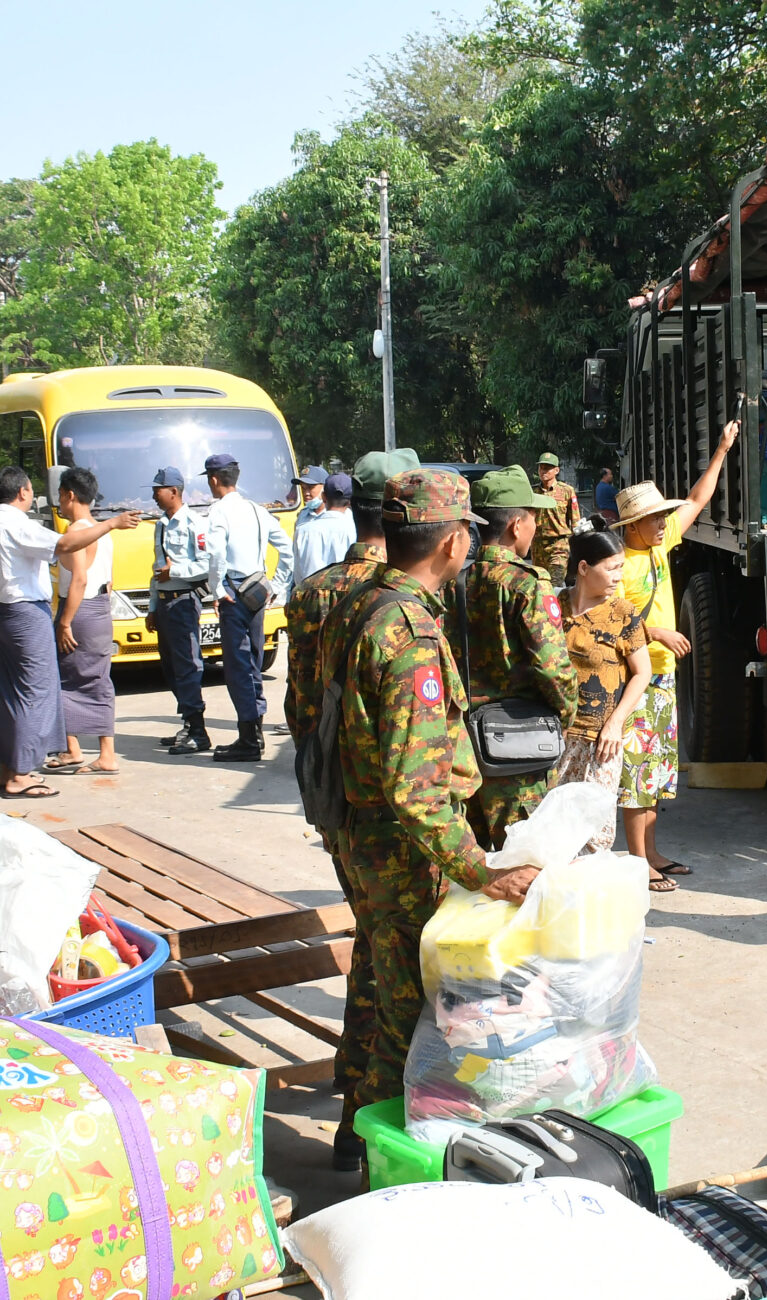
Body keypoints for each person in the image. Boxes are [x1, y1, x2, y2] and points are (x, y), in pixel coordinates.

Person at [317, 466, 539, 1161]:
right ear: (450, 544)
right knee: (417, 1027)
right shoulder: (406, 629)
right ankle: (399, 1176)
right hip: (403, 853)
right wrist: (481, 869)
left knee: (378, 986)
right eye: (466, 537)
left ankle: (355, 1141)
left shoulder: (358, 600)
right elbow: (416, 786)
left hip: (362, 837)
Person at [284, 447, 413, 1171]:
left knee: (372, 944)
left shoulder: (314, 592)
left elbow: (299, 708)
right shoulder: (403, 598)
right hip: (392, 812)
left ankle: (350, 1098)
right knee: (392, 966)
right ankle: (366, 1118)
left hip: (333, 801)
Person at [612, 415, 740, 877]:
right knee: (636, 773)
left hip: (663, 677)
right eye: (655, 519)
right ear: (633, 525)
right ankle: (636, 863)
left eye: (665, 517)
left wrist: (723, 450)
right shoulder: (620, 565)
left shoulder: (657, 547)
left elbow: (698, 498)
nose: (666, 523)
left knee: (657, 772)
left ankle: (652, 854)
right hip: (636, 680)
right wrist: (657, 633)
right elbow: (606, 624)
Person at [0, 465, 138, 797]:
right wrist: (111, 523)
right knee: (35, 692)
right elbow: (65, 546)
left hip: (6, 612)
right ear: (22, 492)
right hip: (26, 614)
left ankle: (9, 767)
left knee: (12, 692)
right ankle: (20, 773)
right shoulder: (16, 525)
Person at [457, 467, 579, 848]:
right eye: (533, 518)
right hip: (519, 749)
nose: (537, 527)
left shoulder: (457, 580)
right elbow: (552, 666)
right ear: (515, 525)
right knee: (525, 867)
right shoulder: (527, 583)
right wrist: (568, 711)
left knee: (473, 872)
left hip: (465, 744)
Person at [287, 451, 417, 748]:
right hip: (380, 775)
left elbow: (296, 696)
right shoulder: (406, 595)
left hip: (321, 765)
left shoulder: (308, 590)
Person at [550, 526, 653, 862]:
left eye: (621, 567)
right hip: (555, 739)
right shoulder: (553, 607)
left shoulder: (622, 613)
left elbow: (642, 672)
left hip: (602, 742)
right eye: (611, 568)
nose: (618, 576)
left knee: (595, 834)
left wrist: (614, 724)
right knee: (551, 826)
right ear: (583, 568)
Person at [203, 454, 293, 763]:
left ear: (214, 479)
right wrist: (275, 586)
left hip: (233, 594)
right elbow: (287, 550)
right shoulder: (256, 510)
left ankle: (249, 740)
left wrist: (216, 590)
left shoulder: (217, 513)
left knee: (238, 666)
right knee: (253, 662)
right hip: (257, 593)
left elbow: (215, 556)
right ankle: (253, 733)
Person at [53, 467, 120, 775]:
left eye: (59, 496)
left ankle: (76, 748)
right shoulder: (101, 530)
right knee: (98, 679)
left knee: (66, 679)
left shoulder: (75, 532)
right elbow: (108, 581)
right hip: (100, 610)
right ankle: (98, 751)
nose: (58, 503)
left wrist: (65, 622)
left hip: (79, 610)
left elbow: (78, 579)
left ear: (70, 495)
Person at [150, 466, 214, 755]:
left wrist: (174, 570)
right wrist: (152, 607)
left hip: (184, 601)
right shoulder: (162, 524)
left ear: (174, 491)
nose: (154, 496)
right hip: (165, 602)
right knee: (170, 667)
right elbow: (156, 568)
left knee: (188, 665)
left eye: (157, 490)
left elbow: (206, 565)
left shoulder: (194, 524)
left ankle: (198, 732)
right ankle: (188, 723)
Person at [291, 472, 356, 585]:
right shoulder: (355, 528)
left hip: (309, 596)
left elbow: (297, 574)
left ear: (324, 496)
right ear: (350, 500)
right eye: (303, 488)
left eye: (311, 488)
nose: (306, 493)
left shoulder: (302, 531)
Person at [530, 454, 582, 583]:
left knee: (554, 583)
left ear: (556, 471)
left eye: (547, 468)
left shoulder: (567, 491)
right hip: (538, 546)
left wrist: (577, 550)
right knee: (540, 584)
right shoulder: (532, 493)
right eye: (541, 468)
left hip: (558, 545)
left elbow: (575, 522)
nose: (543, 471)